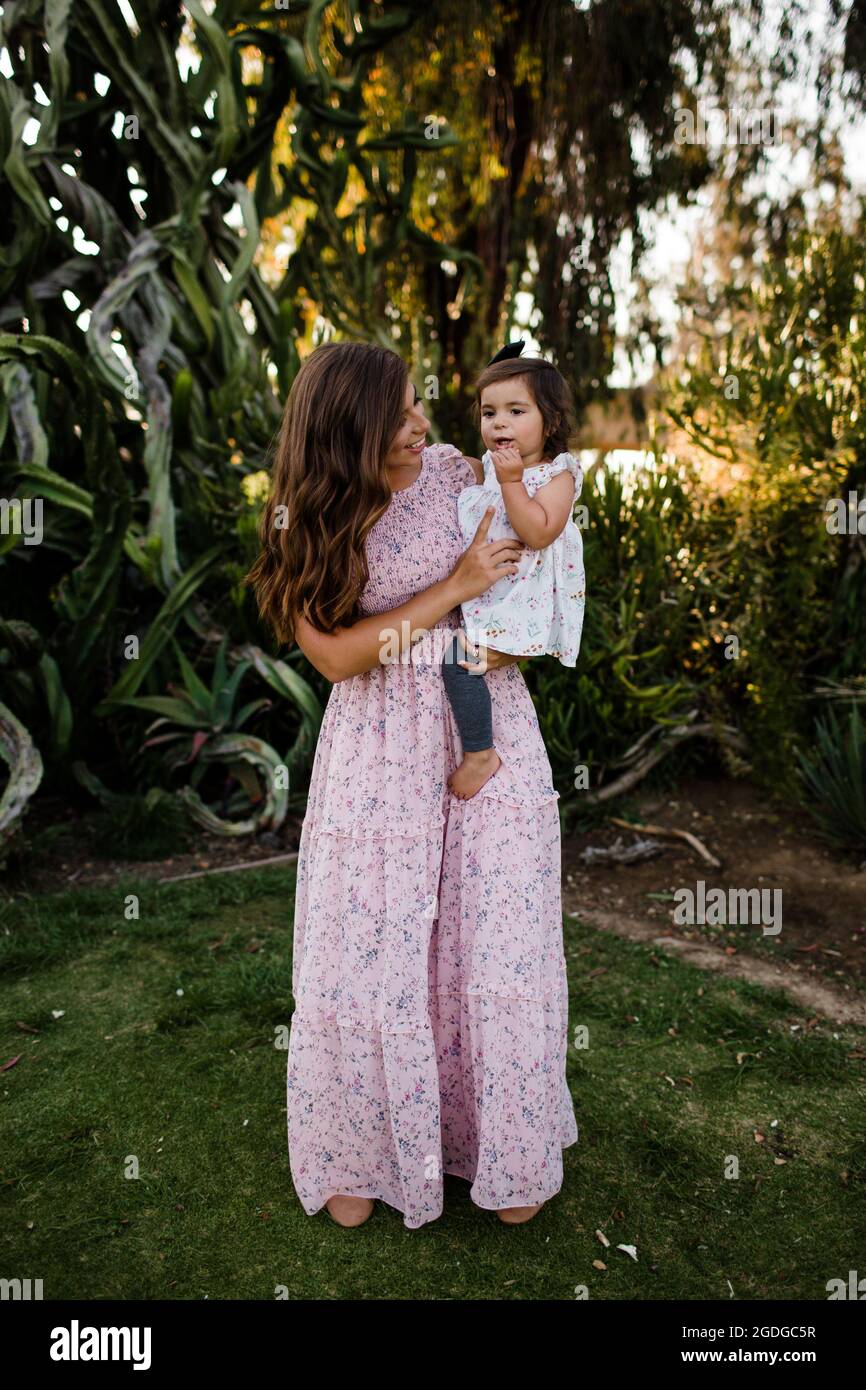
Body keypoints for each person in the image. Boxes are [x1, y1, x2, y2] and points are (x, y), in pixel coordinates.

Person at [246, 340, 579, 1231]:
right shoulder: (308, 517)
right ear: (348, 431)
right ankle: (362, 1145)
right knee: (372, 952)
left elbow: (540, 532)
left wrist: (524, 623)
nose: (422, 427)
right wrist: (454, 587)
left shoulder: (450, 473)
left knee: (494, 937)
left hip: (486, 731)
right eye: (398, 417)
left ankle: (496, 1146)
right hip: (377, 750)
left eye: (419, 408)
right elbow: (339, 656)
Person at [441, 346, 587, 800]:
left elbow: (539, 532)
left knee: (457, 661)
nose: (498, 422)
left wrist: (511, 483)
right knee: (463, 658)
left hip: (528, 596)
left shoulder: (557, 474)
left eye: (516, 411)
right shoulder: (488, 466)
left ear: (552, 423)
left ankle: (481, 753)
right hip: (494, 592)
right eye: (489, 412)